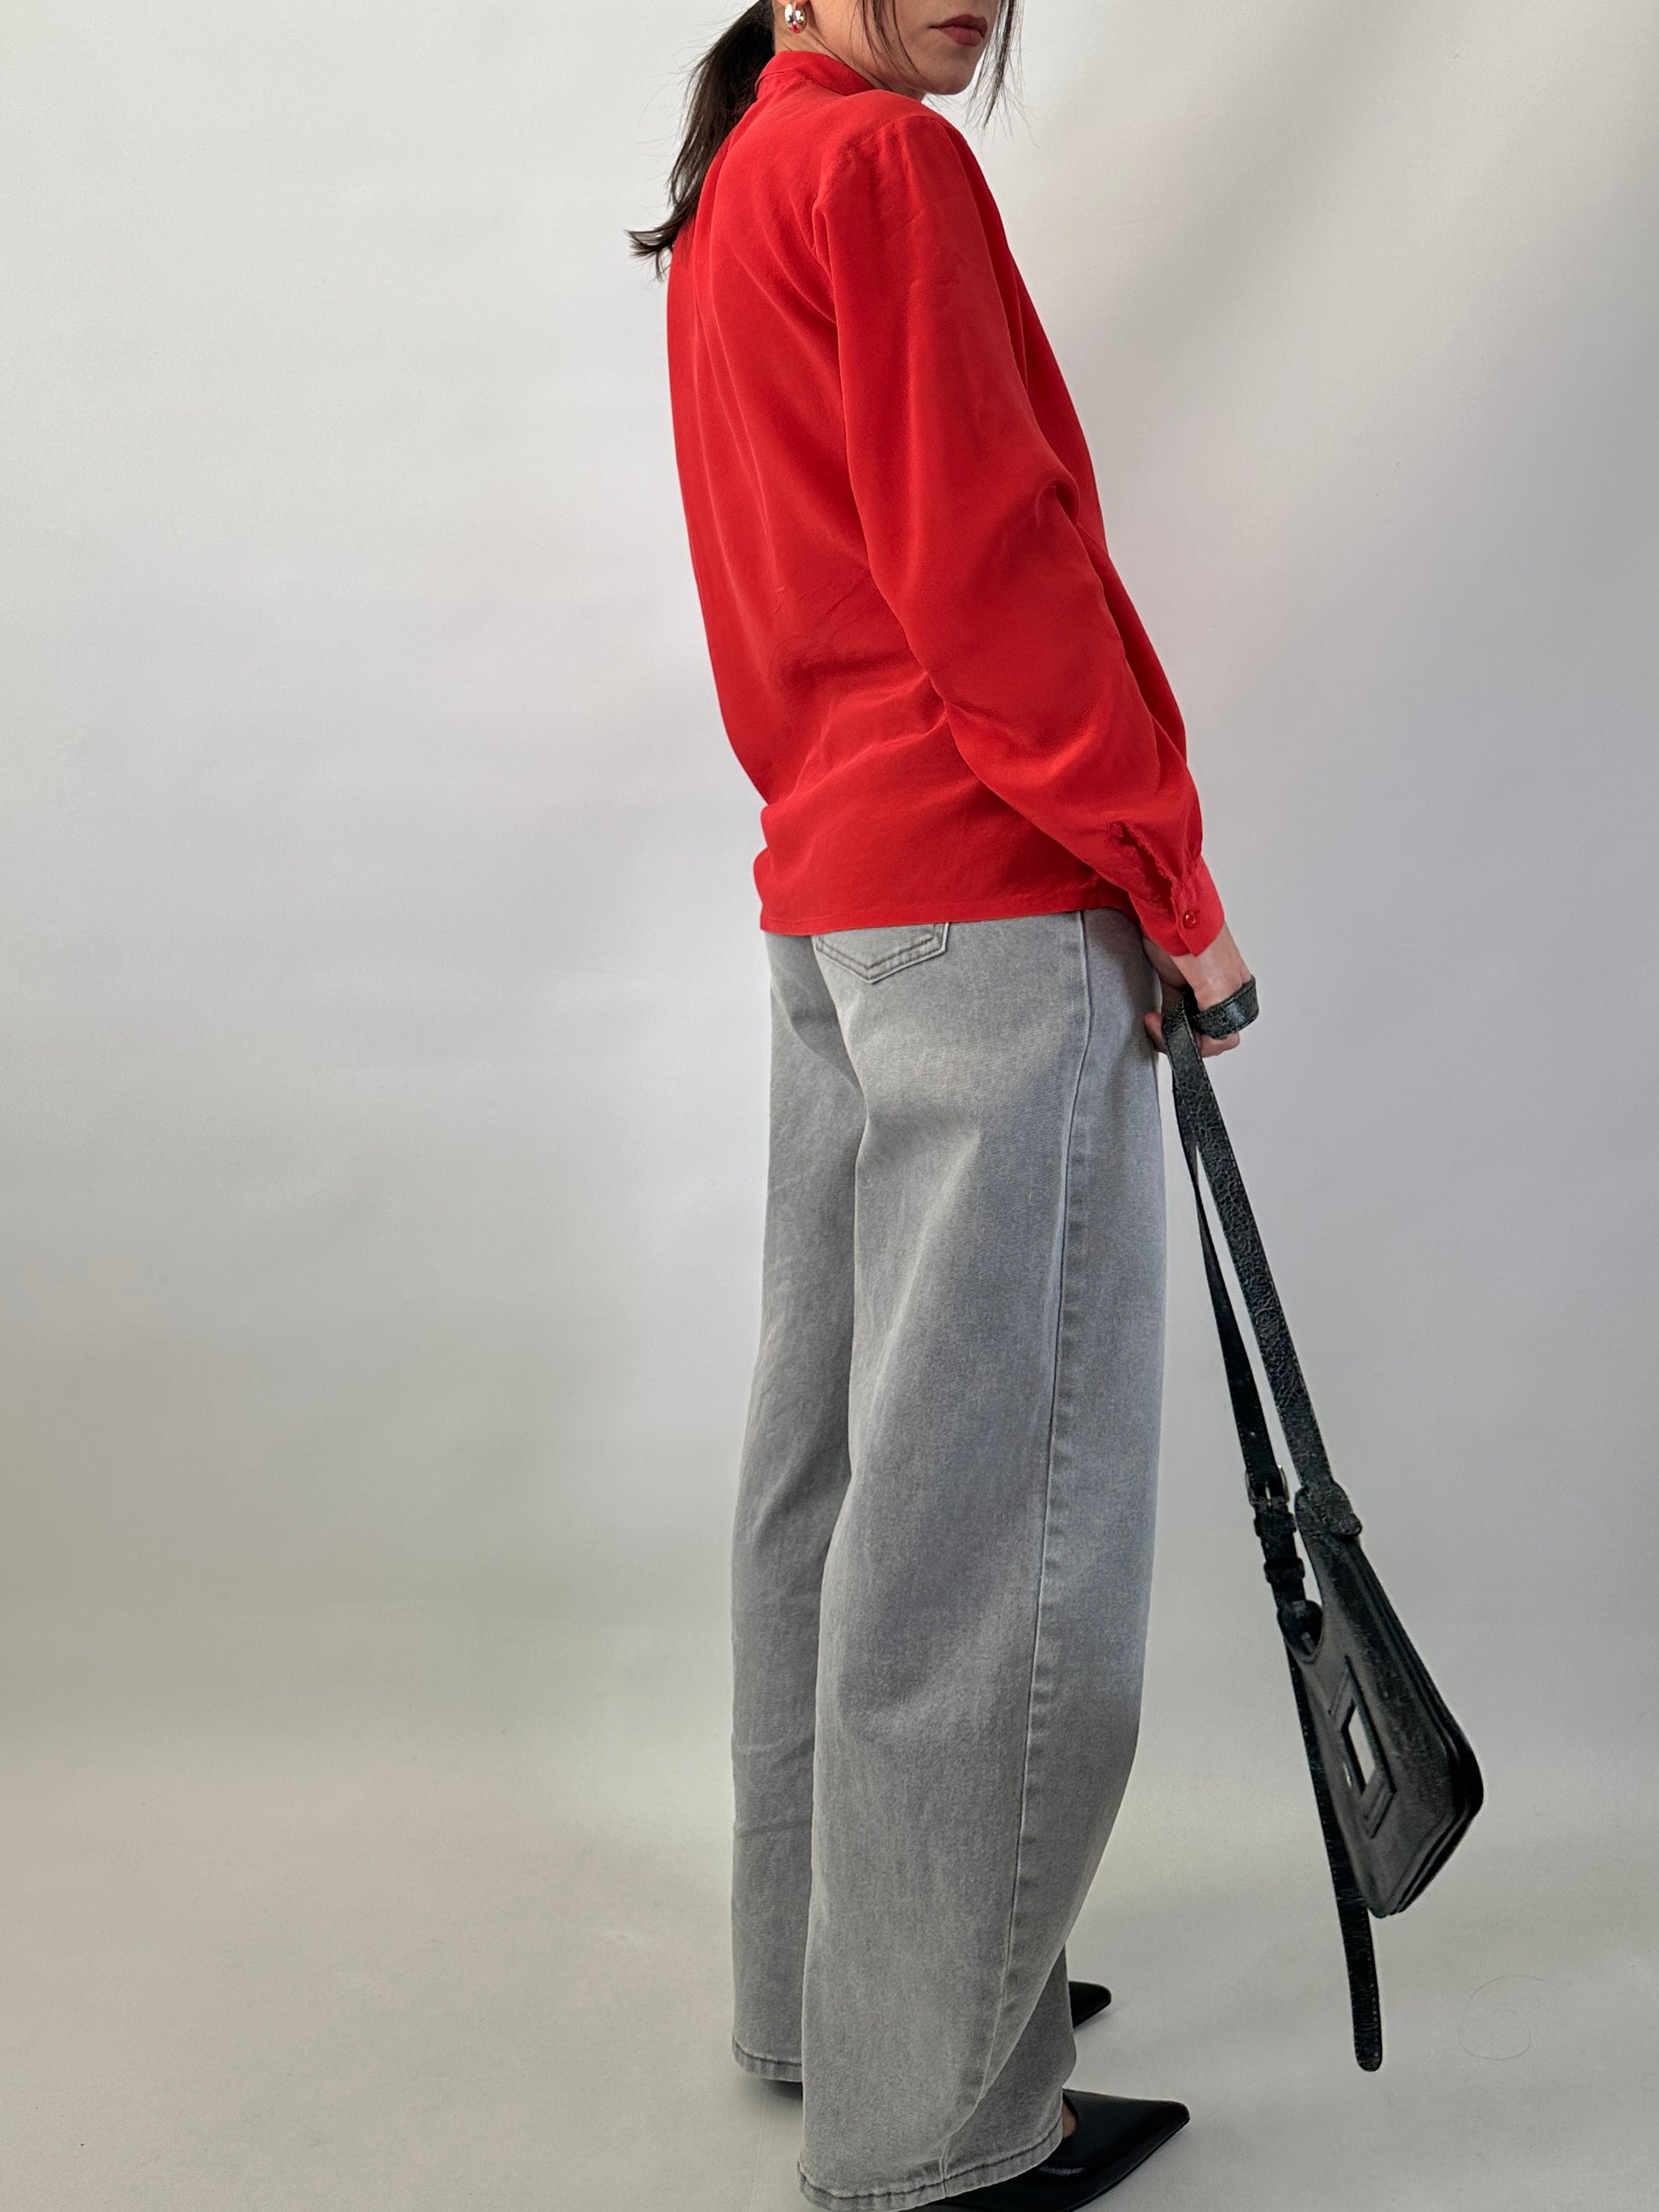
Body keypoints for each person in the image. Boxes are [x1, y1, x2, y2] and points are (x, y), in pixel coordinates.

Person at [631, 4, 1257, 2206]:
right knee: (991, 1512)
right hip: (987, 891)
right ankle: (948, 2127)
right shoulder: (880, 165)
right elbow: (991, 563)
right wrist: (1172, 888)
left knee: (833, 1466)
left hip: (836, 889)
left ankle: (835, 2000)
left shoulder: (740, 178)